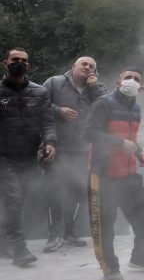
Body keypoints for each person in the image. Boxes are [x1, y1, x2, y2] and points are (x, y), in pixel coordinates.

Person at [84, 68, 144, 280]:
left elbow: (129, 139)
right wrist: (119, 143)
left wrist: (139, 152)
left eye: (136, 79)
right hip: (103, 173)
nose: (132, 81)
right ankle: (109, 267)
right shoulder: (104, 103)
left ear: (141, 87)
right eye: (128, 77)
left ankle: (140, 257)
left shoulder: (136, 108)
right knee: (105, 223)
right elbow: (88, 133)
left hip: (128, 173)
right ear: (118, 81)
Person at [40, 56, 107, 252]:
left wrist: (94, 88)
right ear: (73, 67)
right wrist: (58, 110)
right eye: (83, 64)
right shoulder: (54, 82)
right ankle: (55, 234)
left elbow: (107, 109)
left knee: (78, 191)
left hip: (84, 149)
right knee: (54, 190)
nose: (87, 67)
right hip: (57, 146)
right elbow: (38, 104)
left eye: (92, 66)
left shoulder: (98, 89)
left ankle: (70, 231)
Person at [0, 48, 57, 267]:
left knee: (20, 202)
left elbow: (48, 122)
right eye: (15, 60)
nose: (19, 63)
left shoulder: (40, 92)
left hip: (29, 157)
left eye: (24, 60)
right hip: (4, 157)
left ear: (28, 65)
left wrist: (50, 143)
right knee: (13, 200)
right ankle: (19, 250)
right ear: (6, 63)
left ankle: (5, 241)